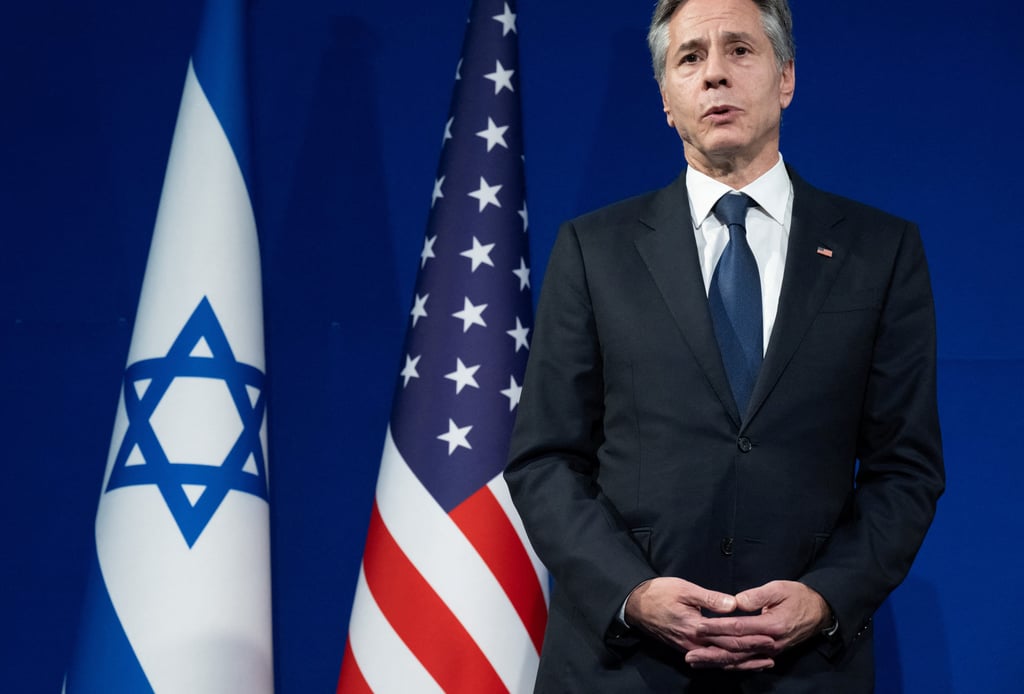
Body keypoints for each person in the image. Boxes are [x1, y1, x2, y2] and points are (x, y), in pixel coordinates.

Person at [504, 0, 945, 691]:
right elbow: (544, 459)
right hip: (623, 668)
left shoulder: (879, 252)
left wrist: (827, 598)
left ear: (785, 78)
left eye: (740, 50)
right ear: (667, 100)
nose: (715, 75)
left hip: (803, 669)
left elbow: (906, 469)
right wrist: (633, 594)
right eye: (690, 57)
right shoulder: (595, 250)